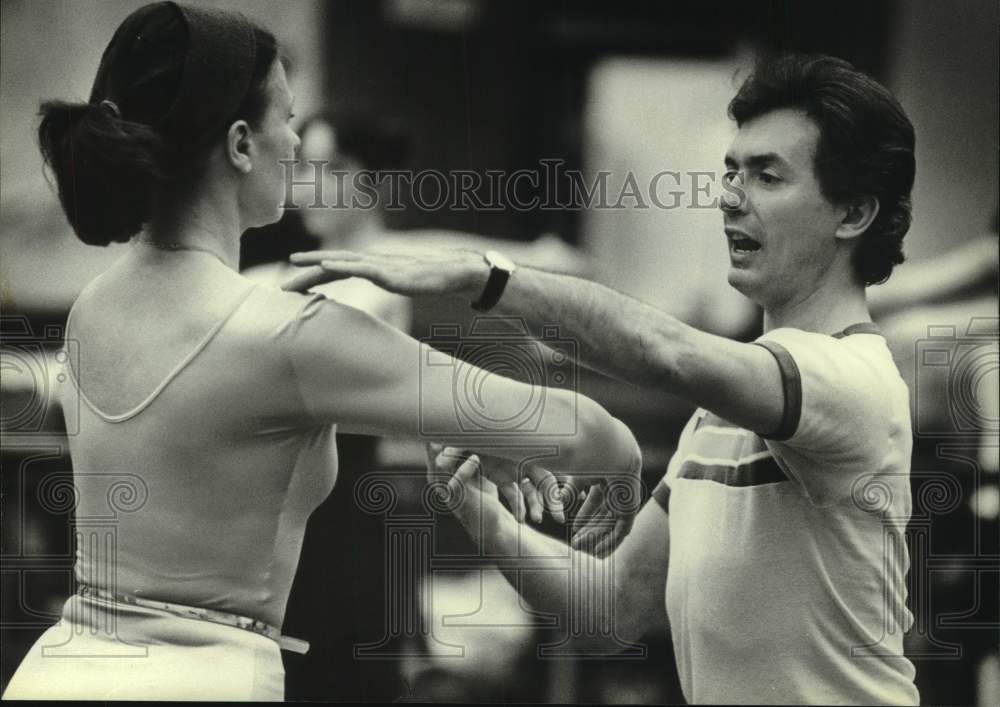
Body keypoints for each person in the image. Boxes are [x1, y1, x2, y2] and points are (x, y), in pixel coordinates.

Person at [3, 2, 640, 700]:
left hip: (60, 673)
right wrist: (623, 457)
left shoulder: (93, 307)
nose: (296, 147)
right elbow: (583, 434)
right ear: (243, 144)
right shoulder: (293, 334)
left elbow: (214, 407)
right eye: (289, 120)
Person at [286, 54, 921, 704]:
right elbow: (610, 610)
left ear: (852, 213)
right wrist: (479, 509)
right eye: (732, 170)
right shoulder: (720, 415)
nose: (730, 194)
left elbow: (664, 350)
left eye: (767, 175)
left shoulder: (851, 376)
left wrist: (485, 276)